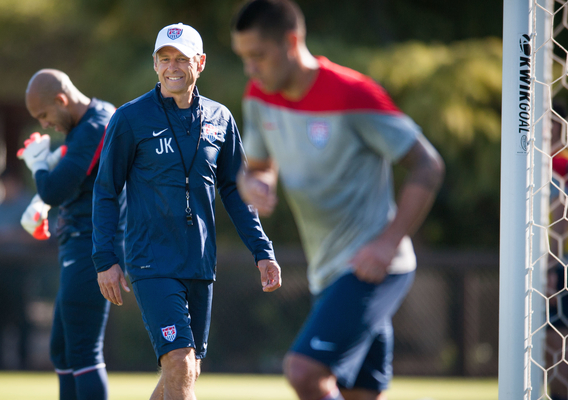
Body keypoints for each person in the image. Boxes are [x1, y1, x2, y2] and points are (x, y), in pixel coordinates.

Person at [231, 1, 445, 399]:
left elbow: (427, 165)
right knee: (359, 394)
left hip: (373, 268)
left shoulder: (353, 93)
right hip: (326, 272)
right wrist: (255, 184)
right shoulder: (259, 95)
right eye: (244, 57)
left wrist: (387, 243)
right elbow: (257, 167)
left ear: (291, 42)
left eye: (258, 55)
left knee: (303, 372)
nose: (250, 68)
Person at [91, 23, 282, 400]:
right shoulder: (130, 119)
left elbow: (236, 190)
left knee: (186, 367)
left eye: (181, 59)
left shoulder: (220, 118)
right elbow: (105, 190)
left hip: (199, 261)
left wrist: (262, 251)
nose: (172, 67)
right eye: (164, 59)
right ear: (155, 64)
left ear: (201, 62)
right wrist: (105, 259)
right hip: (151, 260)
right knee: (179, 360)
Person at [18, 69, 124, 400]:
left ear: (61, 100)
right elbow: (71, 182)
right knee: (63, 349)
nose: (45, 124)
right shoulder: (87, 123)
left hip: (92, 243)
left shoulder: (95, 125)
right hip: (79, 241)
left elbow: (54, 189)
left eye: (44, 115)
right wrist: (39, 204)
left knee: (82, 350)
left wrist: (38, 166)